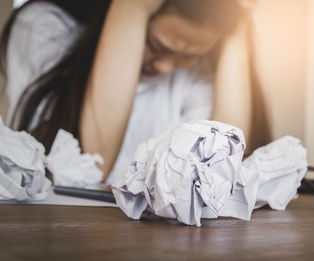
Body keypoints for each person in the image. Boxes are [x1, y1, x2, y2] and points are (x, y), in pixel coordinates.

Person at [0, 0, 270, 183]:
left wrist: (237, 30)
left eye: (190, 56)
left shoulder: (197, 75)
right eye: (156, 44)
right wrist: (132, 7)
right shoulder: (44, 26)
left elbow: (220, 172)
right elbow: (95, 164)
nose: (166, 68)